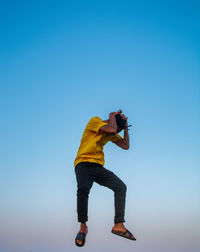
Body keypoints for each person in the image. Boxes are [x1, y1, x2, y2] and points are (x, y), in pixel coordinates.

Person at [74, 110, 136, 247]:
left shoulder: (112, 131)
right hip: (83, 163)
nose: (117, 132)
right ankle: (83, 226)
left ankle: (118, 224)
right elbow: (112, 130)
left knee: (121, 187)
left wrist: (125, 128)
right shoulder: (95, 121)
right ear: (110, 121)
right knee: (83, 189)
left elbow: (125, 146)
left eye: (119, 130)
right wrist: (112, 115)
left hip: (97, 167)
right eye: (118, 128)